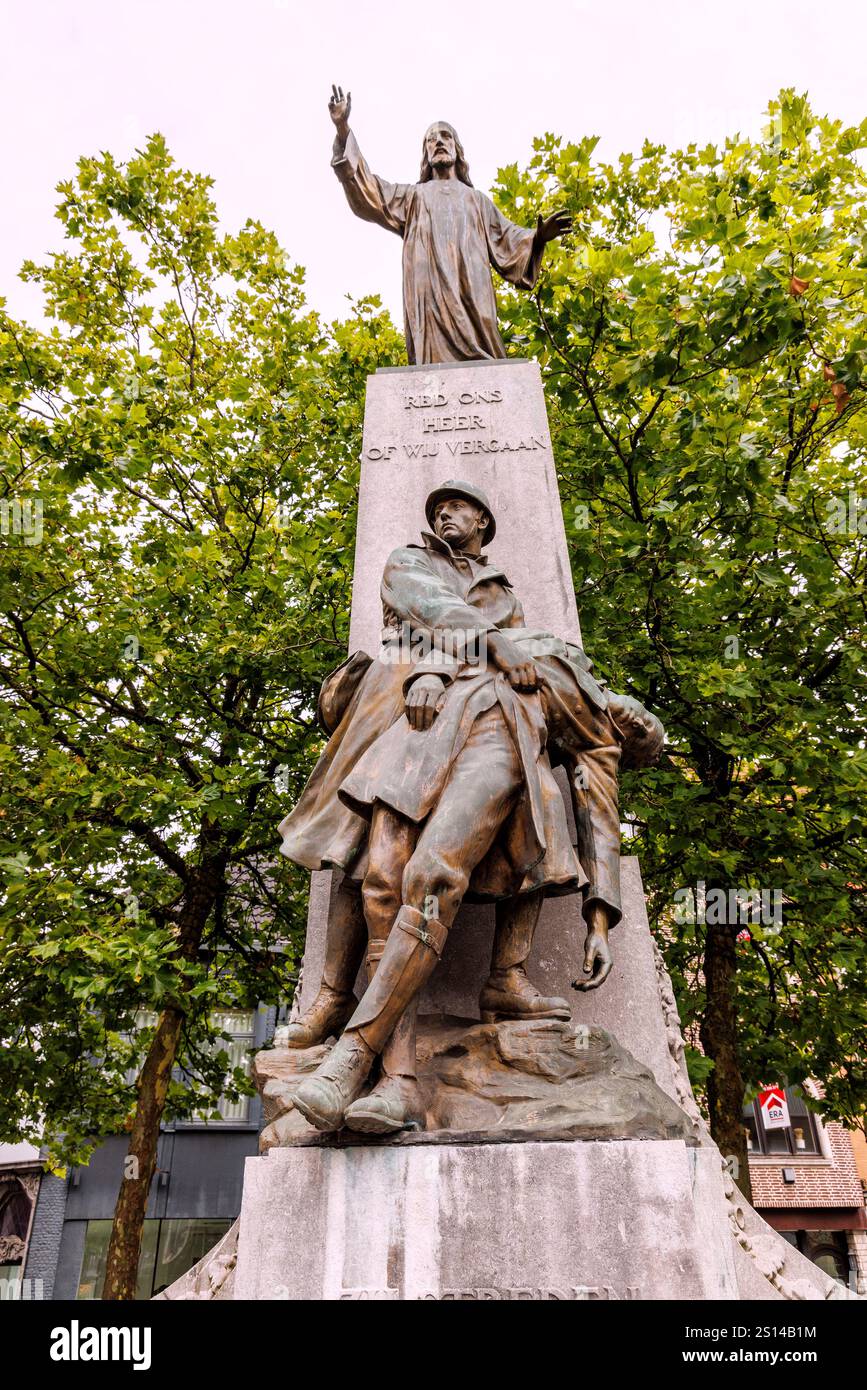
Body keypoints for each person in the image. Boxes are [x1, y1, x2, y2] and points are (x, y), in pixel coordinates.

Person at [279, 481, 663, 1134]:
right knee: (375, 880)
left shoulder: (581, 708)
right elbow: (431, 612)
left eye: (456, 507)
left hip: (493, 742)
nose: (626, 721)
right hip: (415, 724)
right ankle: (363, 1039)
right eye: (437, 509)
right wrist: (452, 663)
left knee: (446, 869)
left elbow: (599, 801)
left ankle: (379, 1059)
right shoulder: (429, 571)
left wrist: (600, 916)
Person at [328, 85, 572, 364]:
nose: (439, 141)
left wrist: (538, 237)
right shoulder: (412, 197)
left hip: (471, 289)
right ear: (426, 154)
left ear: (457, 149)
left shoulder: (477, 200)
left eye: (446, 136)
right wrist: (343, 129)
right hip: (429, 293)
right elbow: (369, 191)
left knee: (486, 351)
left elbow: (507, 238)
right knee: (430, 362)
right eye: (431, 139)